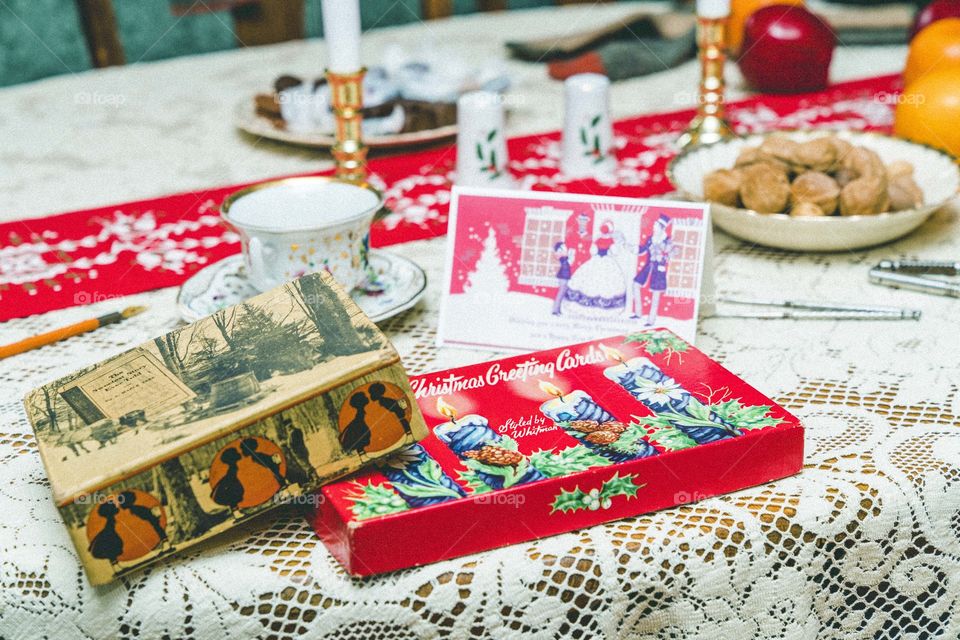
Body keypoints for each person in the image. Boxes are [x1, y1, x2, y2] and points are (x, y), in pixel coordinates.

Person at [564, 221, 627, 312]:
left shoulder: (598, 239)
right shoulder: (611, 240)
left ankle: (586, 305)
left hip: (597, 259)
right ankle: (602, 307)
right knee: (606, 281)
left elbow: (592, 251)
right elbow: (615, 252)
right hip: (607, 260)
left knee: (591, 279)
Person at [634, 214, 675, 325]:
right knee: (636, 284)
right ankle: (638, 313)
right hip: (648, 267)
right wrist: (633, 248)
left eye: (656, 225)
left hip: (659, 270)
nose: (653, 226)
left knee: (656, 294)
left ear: (661, 227)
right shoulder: (650, 239)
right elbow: (642, 249)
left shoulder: (667, 241)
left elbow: (672, 253)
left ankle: (651, 321)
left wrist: (665, 256)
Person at [551, 241, 574, 316]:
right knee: (561, 293)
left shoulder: (564, 255)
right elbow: (568, 261)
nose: (565, 248)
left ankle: (557, 309)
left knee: (562, 293)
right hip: (564, 274)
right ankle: (555, 310)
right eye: (563, 247)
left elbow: (570, 262)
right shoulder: (561, 254)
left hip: (565, 274)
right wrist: (570, 254)